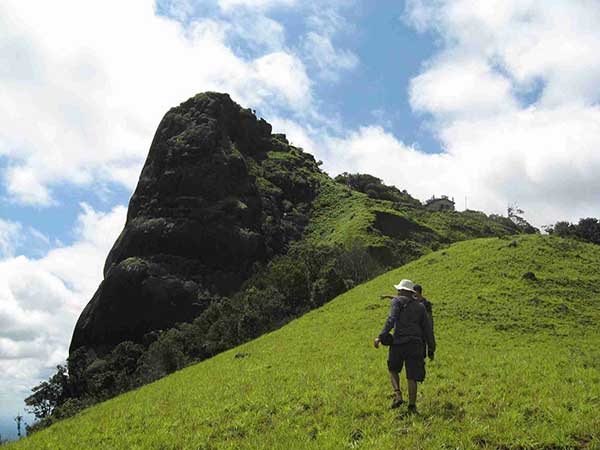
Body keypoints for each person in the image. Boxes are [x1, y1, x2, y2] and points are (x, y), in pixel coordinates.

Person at [374, 279, 435, 414]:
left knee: (393, 368)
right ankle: (412, 406)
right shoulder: (420, 307)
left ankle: (398, 395)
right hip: (416, 344)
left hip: (399, 343)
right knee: (412, 376)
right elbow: (427, 329)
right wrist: (431, 348)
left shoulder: (397, 302)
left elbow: (391, 319)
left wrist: (381, 336)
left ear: (402, 291)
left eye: (399, 290)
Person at [413, 284, 434, 358]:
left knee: (429, 340)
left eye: (414, 291)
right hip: (418, 325)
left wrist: (428, 326)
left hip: (426, 324)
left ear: (418, 292)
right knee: (421, 341)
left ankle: (431, 353)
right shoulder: (414, 302)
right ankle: (423, 356)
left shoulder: (426, 303)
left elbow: (429, 316)